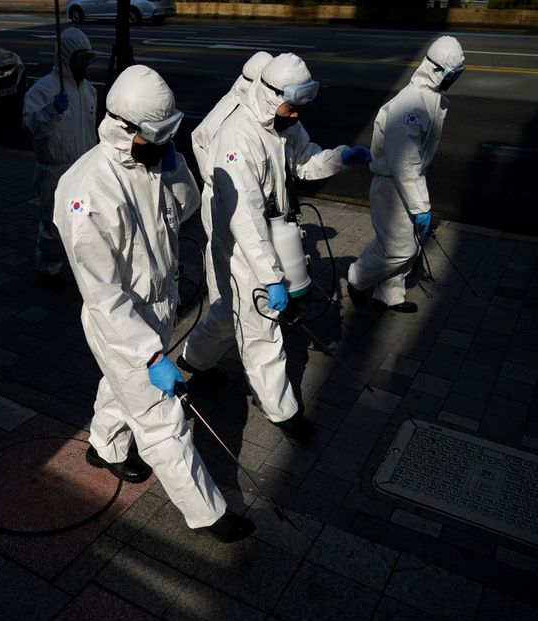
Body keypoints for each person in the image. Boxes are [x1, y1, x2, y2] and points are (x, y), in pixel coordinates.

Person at [53, 65, 254, 543]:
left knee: (119, 388)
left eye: (171, 133)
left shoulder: (156, 161)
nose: (167, 143)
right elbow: (103, 295)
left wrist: (173, 165)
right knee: (163, 420)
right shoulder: (86, 192)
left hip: (161, 303)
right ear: (125, 128)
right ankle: (209, 514)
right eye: (157, 135)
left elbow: (182, 208)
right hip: (121, 324)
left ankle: (104, 446)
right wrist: (149, 354)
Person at [180, 53, 372, 439]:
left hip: (267, 231)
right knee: (262, 329)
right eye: (291, 107)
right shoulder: (238, 137)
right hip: (239, 241)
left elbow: (303, 161)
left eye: (299, 107)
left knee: (228, 308)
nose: (296, 116)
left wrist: (339, 158)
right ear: (269, 96)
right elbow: (245, 219)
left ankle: (194, 359)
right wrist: (270, 278)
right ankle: (281, 411)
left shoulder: (280, 121)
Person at [348, 35, 465, 313]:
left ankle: (388, 295)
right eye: (453, 73)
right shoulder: (409, 105)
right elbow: (404, 162)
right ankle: (357, 277)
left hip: (407, 184)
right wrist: (421, 206)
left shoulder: (430, 97)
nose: (455, 79)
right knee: (398, 248)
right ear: (436, 70)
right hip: (392, 187)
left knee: (409, 242)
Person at [179, 51, 273, 392]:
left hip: (246, 205)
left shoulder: (259, 109)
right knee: (229, 296)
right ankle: (198, 358)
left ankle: (198, 358)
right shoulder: (229, 110)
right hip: (222, 204)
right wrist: (217, 181)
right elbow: (198, 141)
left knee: (237, 297)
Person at [22, 28, 97, 281]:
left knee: (86, 222)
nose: (85, 64)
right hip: (55, 170)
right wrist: (51, 110)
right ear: (66, 57)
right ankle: (50, 267)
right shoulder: (42, 91)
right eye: (81, 58)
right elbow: (29, 125)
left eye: (89, 58)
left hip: (84, 168)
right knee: (53, 223)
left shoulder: (89, 91)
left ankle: (83, 268)